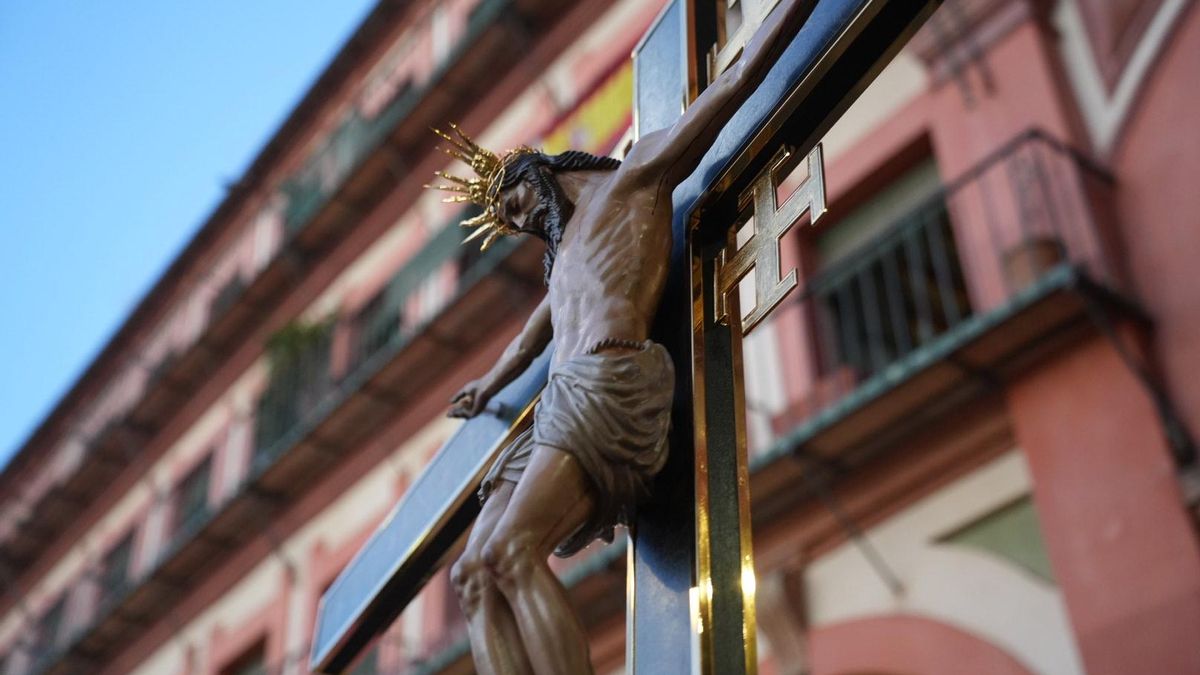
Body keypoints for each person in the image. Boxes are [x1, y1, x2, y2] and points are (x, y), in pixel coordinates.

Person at [431, 1, 814, 672]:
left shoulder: (636, 177)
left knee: (512, 552)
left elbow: (736, 80)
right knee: (472, 574)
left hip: (610, 380)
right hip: (557, 402)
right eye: (504, 218)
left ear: (536, 168)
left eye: (513, 199)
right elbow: (527, 343)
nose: (516, 217)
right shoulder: (560, 263)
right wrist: (486, 386)